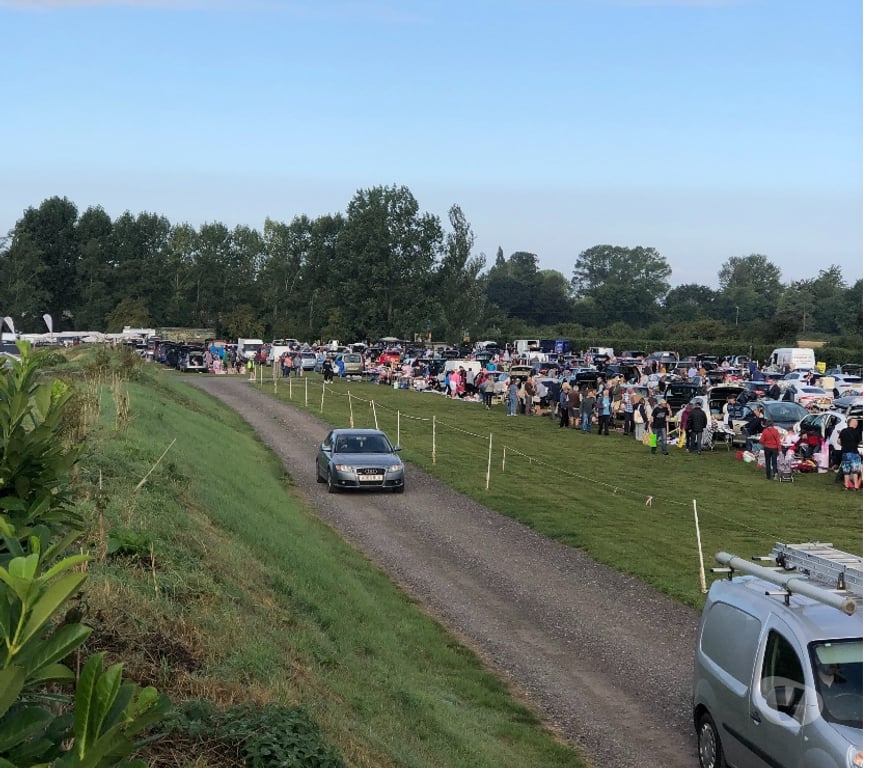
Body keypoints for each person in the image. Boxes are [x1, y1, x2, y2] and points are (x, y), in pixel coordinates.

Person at [838, 417, 862, 490]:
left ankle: (846, 486)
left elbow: (838, 441)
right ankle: (856, 486)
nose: (857, 423)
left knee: (846, 471)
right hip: (854, 453)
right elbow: (859, 441)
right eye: (856, 422)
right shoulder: (857, 432)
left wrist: (844, 445)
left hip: (845, 453)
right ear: (852, 423)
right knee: (855, 471)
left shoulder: (843, 431)